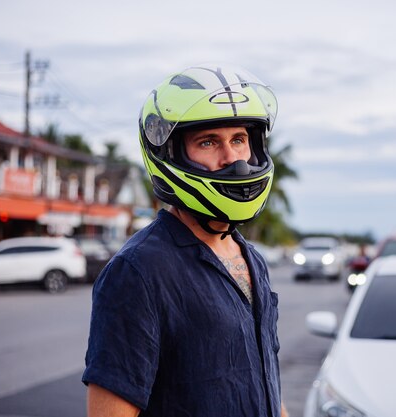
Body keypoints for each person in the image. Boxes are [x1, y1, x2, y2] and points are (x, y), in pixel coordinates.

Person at [82, 64, 287, 417]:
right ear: (171, 154)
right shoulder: (138, 272)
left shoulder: (251, 258)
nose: (233, 160)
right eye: (208, 142)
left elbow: (267, 382)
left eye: (239, 139)